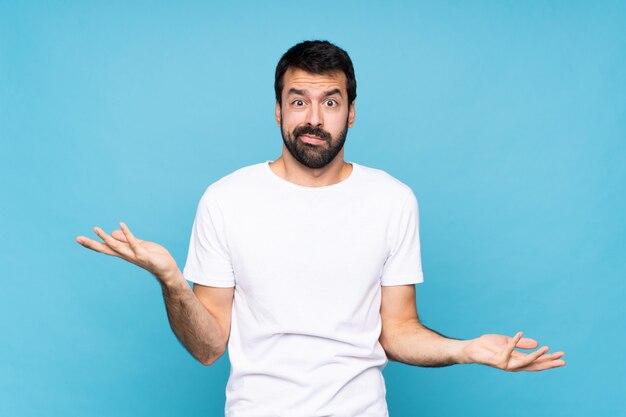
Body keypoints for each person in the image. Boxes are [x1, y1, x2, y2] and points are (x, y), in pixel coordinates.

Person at [76, 40, 566, 417]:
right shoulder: (226, 200)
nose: (313, 118)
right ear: (278, 110)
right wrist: (172, 282)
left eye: (330, 102)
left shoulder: (392, 200)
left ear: (351, 113)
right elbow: (209, 348)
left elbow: (396, 331)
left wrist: (467, 349)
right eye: (298, 101)